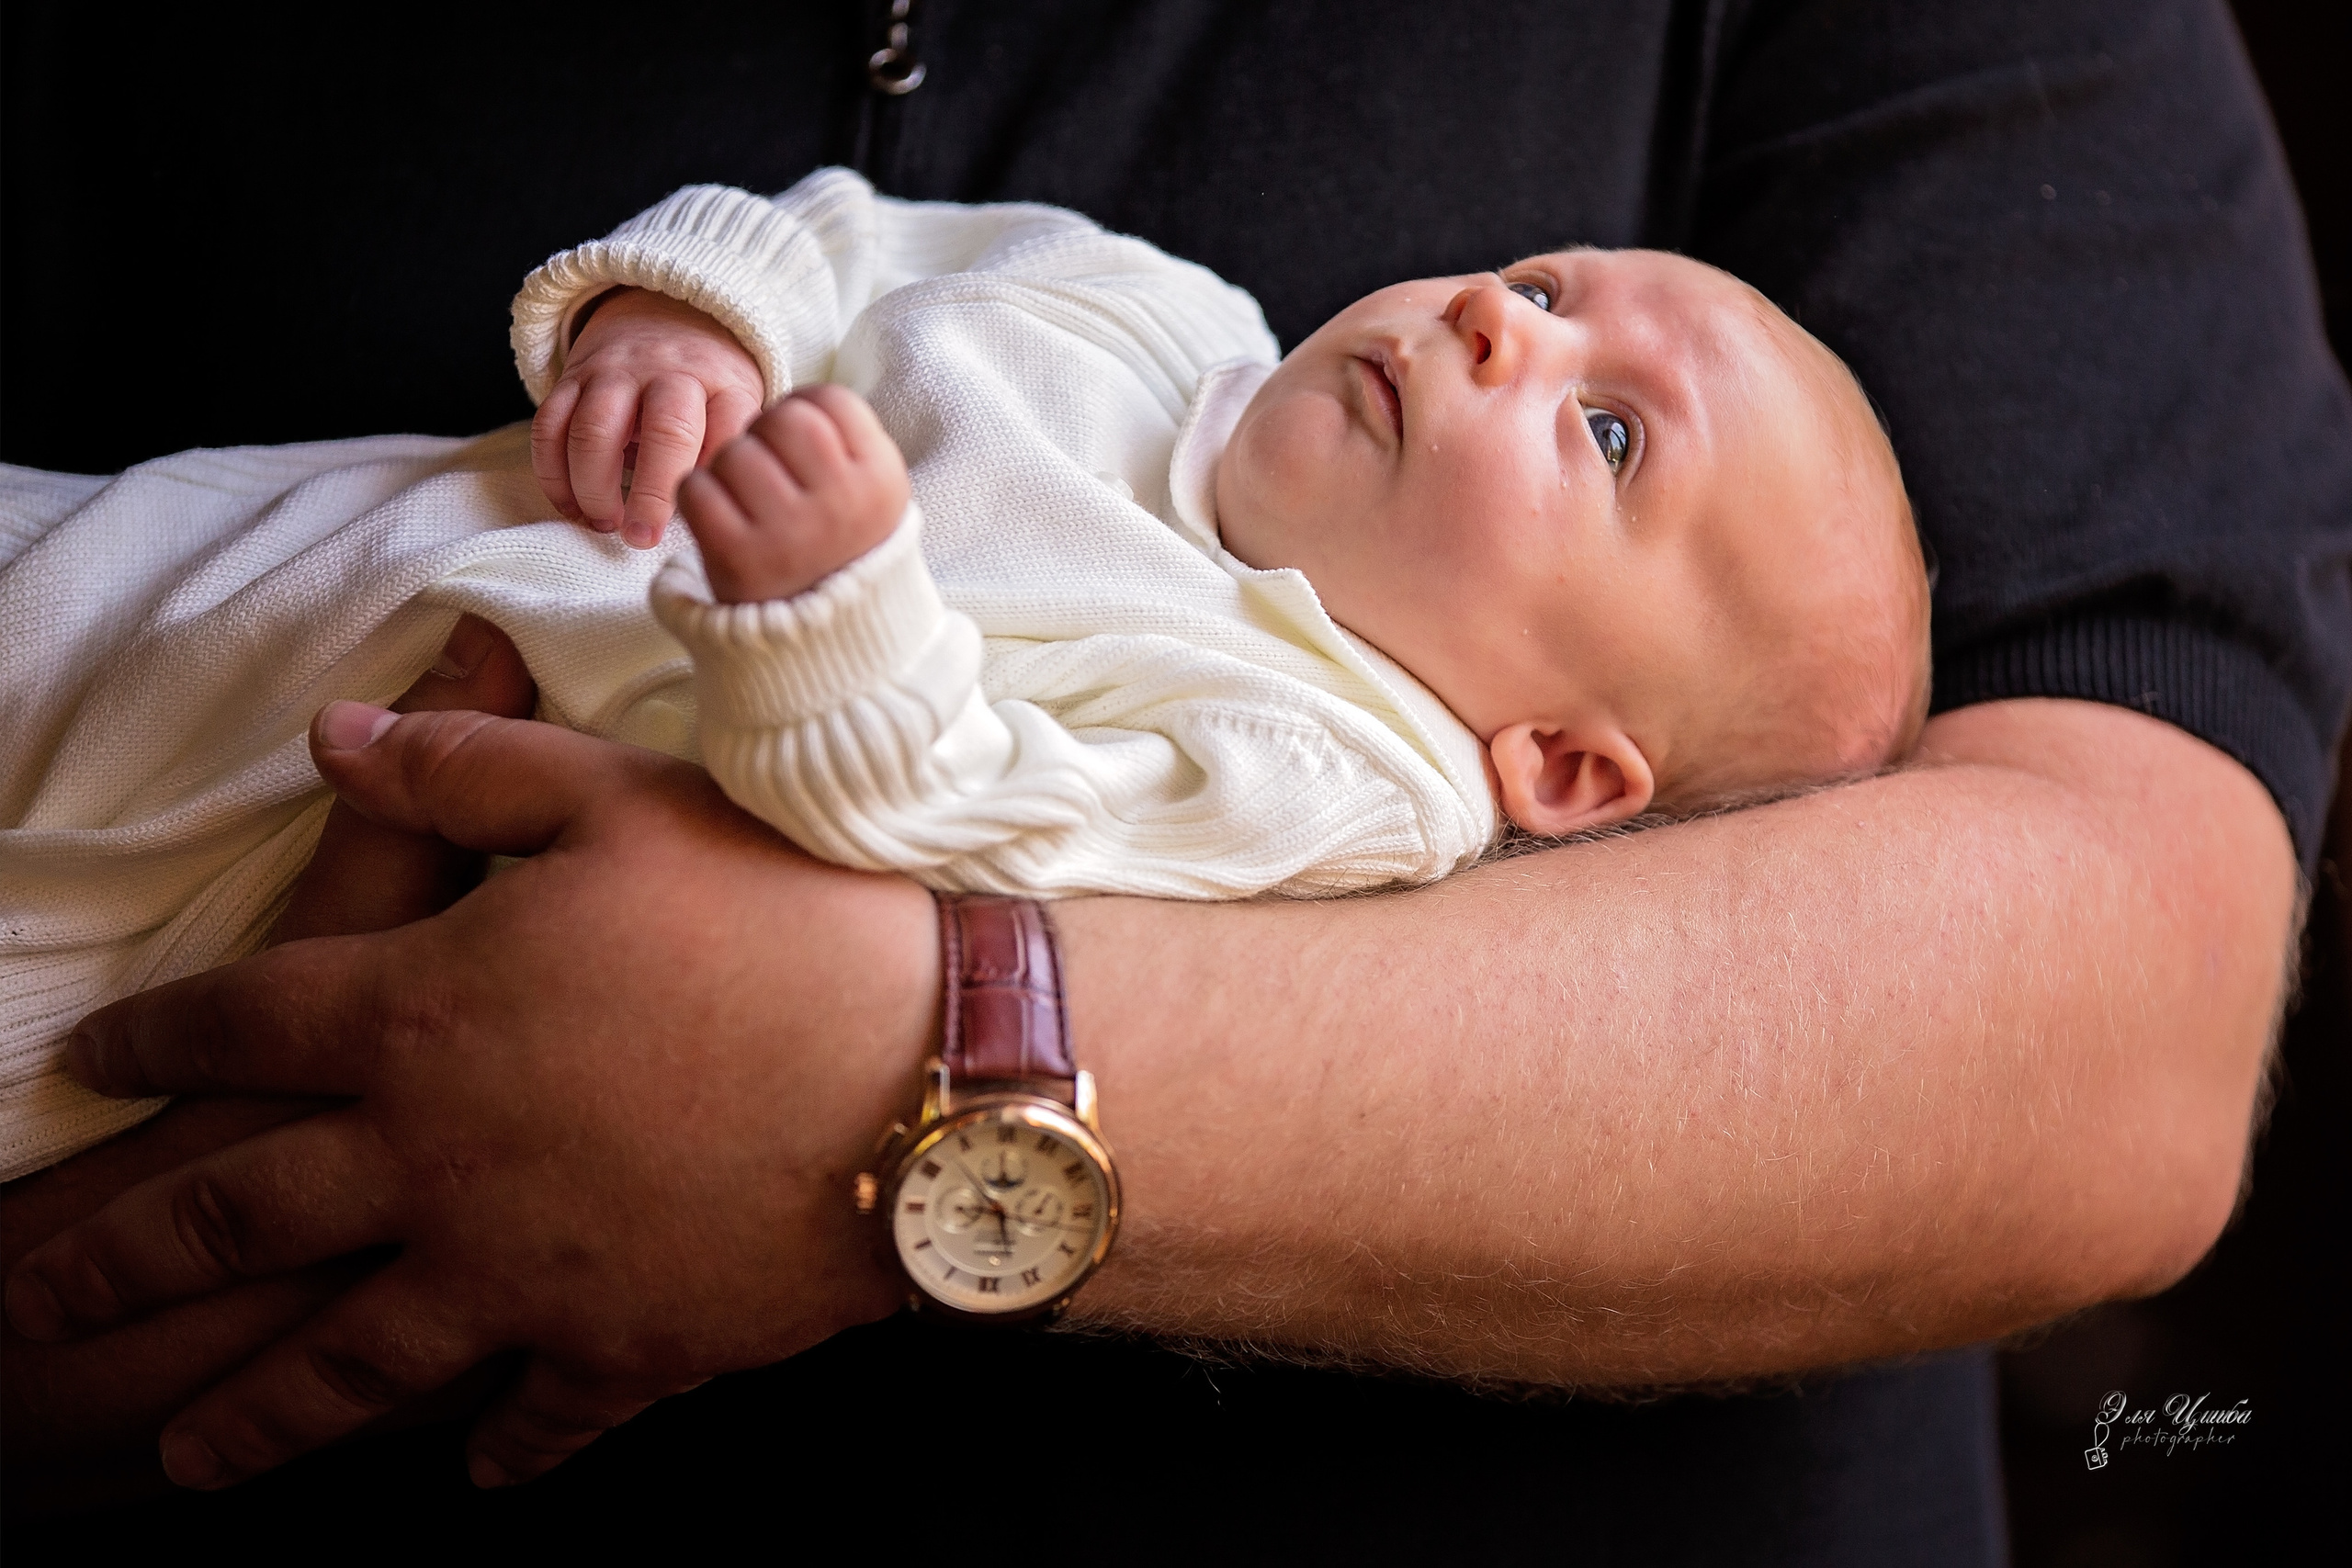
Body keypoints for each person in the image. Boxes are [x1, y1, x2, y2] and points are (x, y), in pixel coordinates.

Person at [3, 3, 2344, 1562]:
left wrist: (860, 971)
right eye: (1539, 283)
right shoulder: (1153, 322)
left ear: (1551, 761)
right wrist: (674, 323)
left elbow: (948, 815)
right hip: (232, 598)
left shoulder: (1315, 770)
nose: (1500, 325)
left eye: (1604, 431)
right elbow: (841, 242)